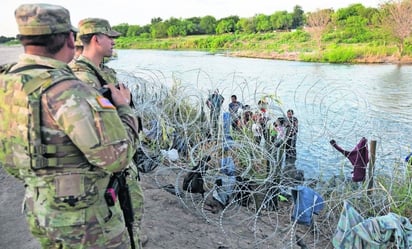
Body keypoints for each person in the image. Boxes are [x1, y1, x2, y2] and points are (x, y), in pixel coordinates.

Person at [0, 3, 139, 249]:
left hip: (40, 205)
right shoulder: (68, 91)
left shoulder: (8, 81)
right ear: (68, 39)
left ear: (23, 40)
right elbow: (117, 158)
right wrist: (125, 109)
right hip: (83, 220)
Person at [69, 18, 146, 247]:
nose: (114, 42)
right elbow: (97, 134)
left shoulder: (103, 73)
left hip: (121, 165)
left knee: (131, 221)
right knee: (119, 228)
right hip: (106, 171)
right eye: (109, 37)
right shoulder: (82, 79)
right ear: (95, 39)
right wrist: (124, 105)